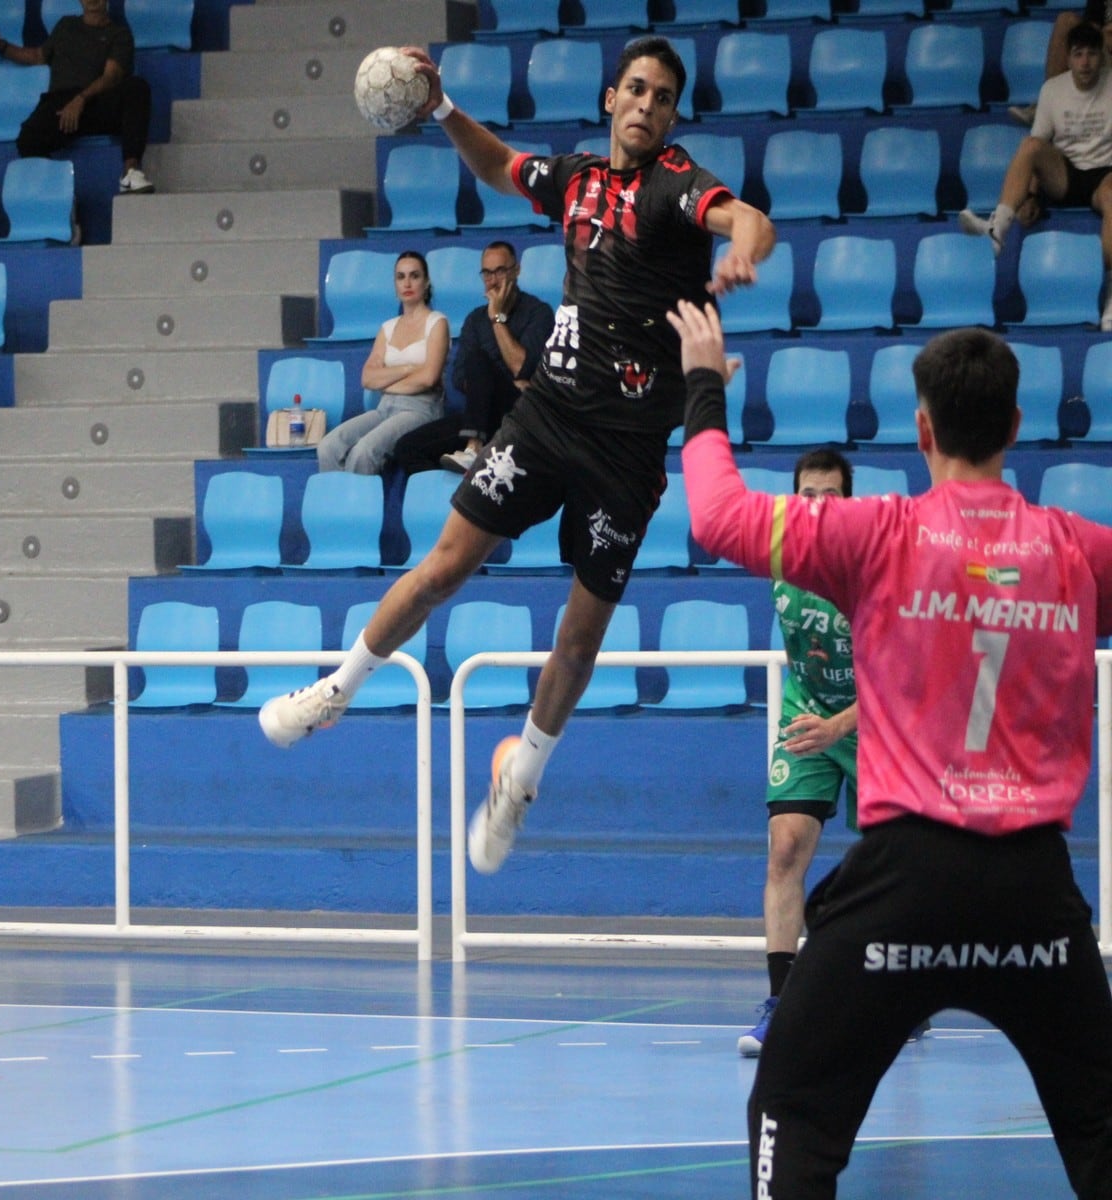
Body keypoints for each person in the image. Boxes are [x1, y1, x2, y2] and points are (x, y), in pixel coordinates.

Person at [259, 36, 775, 879]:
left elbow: (745, 217)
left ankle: (520, 779)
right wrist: (444, 112)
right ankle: (336, 690)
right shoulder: (575, 180)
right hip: (546, 419)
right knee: (443, 567)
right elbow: (502, 167)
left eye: (664, 97)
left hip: (630, 451)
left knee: (577, 642)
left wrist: (745, 248)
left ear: (674, 116)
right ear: (611, 100)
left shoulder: (677, 186)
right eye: (636, 90)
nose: (648, 105)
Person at [672, 303, 1112, 1199]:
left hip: (905, 882)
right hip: (1035, 887)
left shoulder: (878, 534)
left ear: (922, 429)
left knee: (791, 1109)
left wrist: (704, 385)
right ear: (1016, 429)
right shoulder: (1079, 553)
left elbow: (718, 517)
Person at [739, 449, 860, 1057]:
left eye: (831, 495)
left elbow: (897, 673)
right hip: (807, 712)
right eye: (807, 494)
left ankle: (897, 989)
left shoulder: (871, 567)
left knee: (894, 867)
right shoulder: (779, 554)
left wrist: (839, 726)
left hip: (877, 720)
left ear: (849, 502)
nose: (818, 506)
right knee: (784, 847)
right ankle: (782, 1005)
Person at [959, 21, 1112, 329]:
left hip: (1106, 174)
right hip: (1066, 173)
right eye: (1078, 54)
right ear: (1068, 58)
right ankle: (997, 229)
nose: (1085, 62)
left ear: (1102, 57)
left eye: (1092, 55)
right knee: (1029, 144)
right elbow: (1038, 147)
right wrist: (1030, 194)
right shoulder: (1052, 90)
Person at [392, 241, 554, 477]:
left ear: (516, 271)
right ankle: (460, 498)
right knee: (406, 448)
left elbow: (521, 367)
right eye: (487, 273)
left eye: (500, 271)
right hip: (481, 414)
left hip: (521, 412)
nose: (493, 280)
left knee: (479, 359)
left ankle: (474, 449)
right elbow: (459, 377)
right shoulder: (475, 319)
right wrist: (486, 383)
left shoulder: (539, 312)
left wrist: (497, 319)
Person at [0, 0, 156, 195]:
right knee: (27, 140)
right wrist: (1, 45)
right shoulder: (66, 25)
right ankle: (61, 195)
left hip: (95, 101)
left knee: (137, 87)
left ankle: (130, 173)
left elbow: (112, 76)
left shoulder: (119, 34)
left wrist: (81, 99)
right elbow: (38, 56)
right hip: (60, 104)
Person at [317, 250, 449, 475]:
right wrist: (409, 369)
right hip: (385, 407)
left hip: (421, 409)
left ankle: (358, 509)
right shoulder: (387, 327)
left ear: (426, 282)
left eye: (414, 276)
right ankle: (335, 506)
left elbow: (428, 378)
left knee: (364, 451)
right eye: (401, 277)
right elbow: (367, 378)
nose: (407, 283)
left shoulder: (437, 323)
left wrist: (386, 380)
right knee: (328, 446)